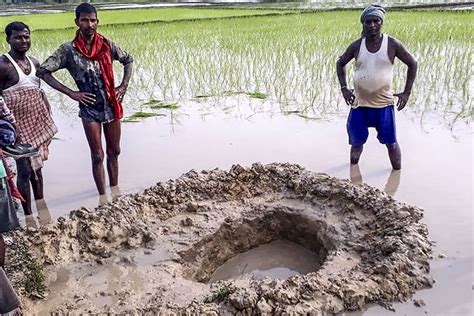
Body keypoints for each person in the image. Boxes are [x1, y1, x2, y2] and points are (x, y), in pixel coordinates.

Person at [37, 3, 133, 196]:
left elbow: (128, 60)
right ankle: (102, 197)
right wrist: (71, 93)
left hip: (111, 104)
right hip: (89, 108)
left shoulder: (106, 45)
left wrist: (123, 86)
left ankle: (115, 191)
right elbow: (43, 71)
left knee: (115, 151)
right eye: (84, 20)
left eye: (92, 20)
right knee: (97, 155)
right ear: (77, 22)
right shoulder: (68, 50)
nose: (89, 24)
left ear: (97, 22)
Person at [336, 4, 417, 170]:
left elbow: (412, 63)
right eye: (368, 22)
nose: (372, 25)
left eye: (376, 21)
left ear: (381, 22)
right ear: (363, 24)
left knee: (391, 143)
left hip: (384, 104)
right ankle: (352, 174)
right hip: (360, 104)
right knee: (356, 144)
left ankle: (397, 176)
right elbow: (340, 63)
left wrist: (406, 93)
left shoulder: (392, 44)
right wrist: (344, 88)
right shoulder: (357, 46)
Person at [0, 21, 58, 215]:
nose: (23, 40)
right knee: (24, 170)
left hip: (34, 122)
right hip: (16, 125)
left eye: (26, 36)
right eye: (18, 37)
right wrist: (9, 127)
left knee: (37, 167)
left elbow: (37, 92)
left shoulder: (34, 63)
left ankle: (42, 208)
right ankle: (28, 214)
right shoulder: (4, 65)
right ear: (8, 39)